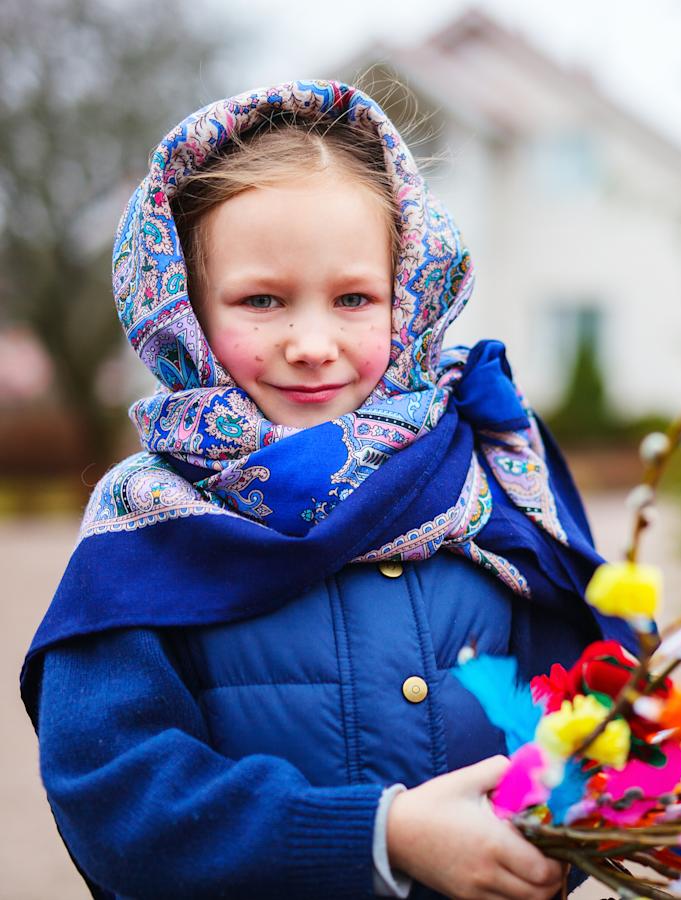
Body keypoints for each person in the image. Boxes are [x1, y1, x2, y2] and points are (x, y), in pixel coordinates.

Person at [19, 79, 638, 900]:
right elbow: (118, 802)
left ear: (406, 299)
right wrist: (380, 838)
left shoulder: (483, 476)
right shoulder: (147, 523)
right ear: (186, 313)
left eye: (353, 299)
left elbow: (588, 713)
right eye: (262, 300)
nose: (312, 343)